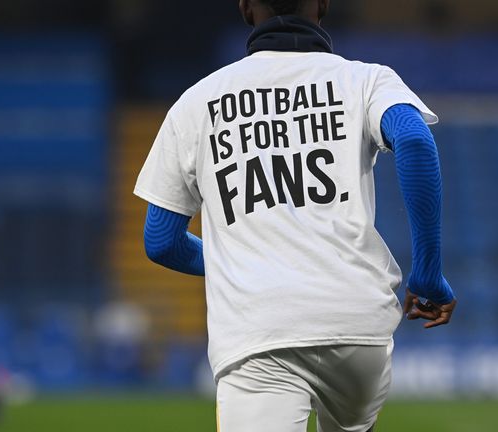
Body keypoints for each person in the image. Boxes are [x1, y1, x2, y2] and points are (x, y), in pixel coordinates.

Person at [134, 1, 456, 430]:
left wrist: (244, 258)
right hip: (358, 326)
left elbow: (161, 241)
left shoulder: (196, 104)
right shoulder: (365, 80)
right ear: (323, 4)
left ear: (246, 8)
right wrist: (428, 274)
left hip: (260, 332)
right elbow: (415, 140)